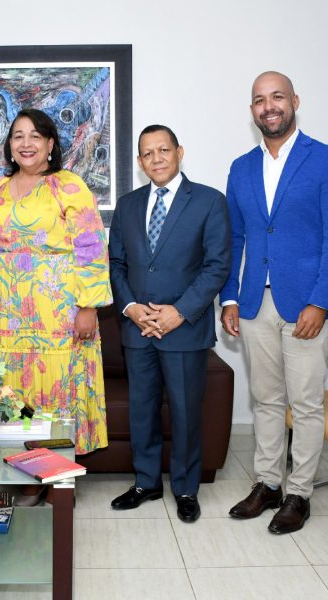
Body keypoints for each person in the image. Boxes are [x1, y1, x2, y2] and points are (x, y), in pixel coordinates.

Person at [0, 108, 112, 503]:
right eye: (18, 135)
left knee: (57, 397)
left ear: (50, 144)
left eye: (35, 135)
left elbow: (91, 250)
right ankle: (24, 476)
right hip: (8, 316)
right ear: (9, 145)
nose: (26, 143)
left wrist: (89, 307)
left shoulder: (69, 187)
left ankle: (56, 479)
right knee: (13, 396)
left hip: (60, 315)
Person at [221, 71, 328, 534]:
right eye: (260, 100)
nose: (269, 106)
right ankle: (268, 483)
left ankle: (299, 492)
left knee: (305, 403)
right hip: (253, 303)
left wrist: (321, 301)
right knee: (266, 399)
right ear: (252, 110)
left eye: (277, 97)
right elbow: (234, 238)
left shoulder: (322, 159)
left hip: (305, 304)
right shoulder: (241, 167)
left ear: (294, 102)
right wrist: (229, 297)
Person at [109, 125, 230, 522]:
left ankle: (186, 488)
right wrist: (130, 307)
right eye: (148, 153)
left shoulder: (209, 201)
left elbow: (217, 266)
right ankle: (145, 482)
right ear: (139, 161)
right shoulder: (128, 205)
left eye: (163, 150)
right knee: (142, 411)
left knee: (185, 413)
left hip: (185, 328)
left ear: (179, 152)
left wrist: (178, 312)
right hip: (138, 328)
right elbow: (117, 264)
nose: (156, 158)